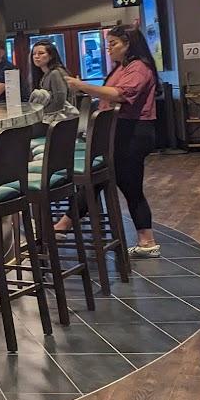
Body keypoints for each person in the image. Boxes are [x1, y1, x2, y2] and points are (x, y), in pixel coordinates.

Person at [57, 25, 161, 256]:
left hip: (132, 132)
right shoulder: (122, 67)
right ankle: (64, 225)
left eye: (113, 44)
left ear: (129, 44)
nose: (109, 49)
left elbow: (120, 94)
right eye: (108, 45)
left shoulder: (138, 67)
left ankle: (147, 241)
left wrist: (82, 86)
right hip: (119, 131)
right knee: (98, 179)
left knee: (126, 185)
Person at [30, 40, 74, 119]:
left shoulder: (55, 73)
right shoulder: (44, 74)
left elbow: (59, 102)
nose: (36, 56)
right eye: (34, 54)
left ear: (51, 56)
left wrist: (40, 114)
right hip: (50, 116)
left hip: (60, 119)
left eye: (41, 53)